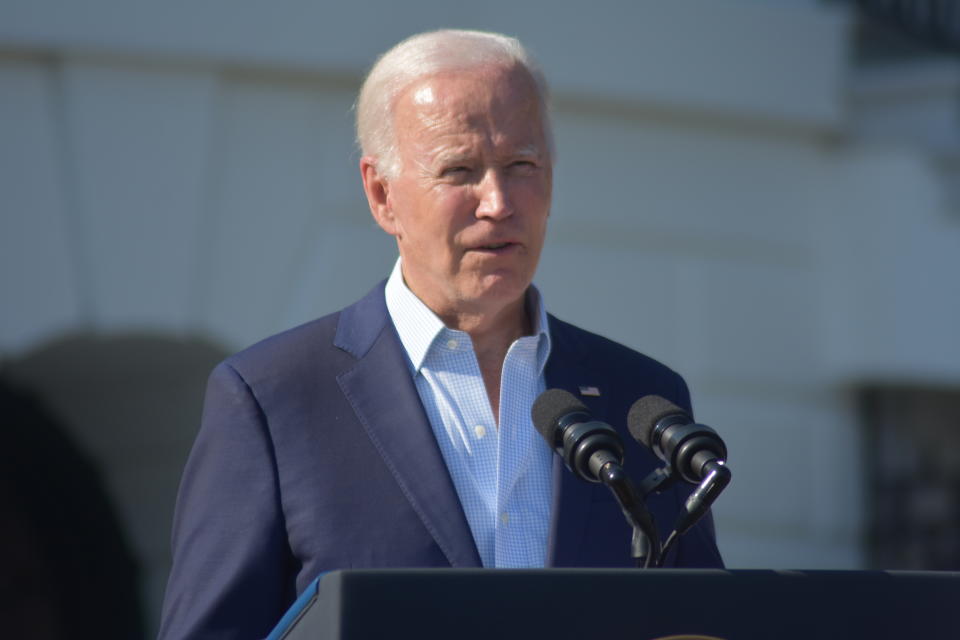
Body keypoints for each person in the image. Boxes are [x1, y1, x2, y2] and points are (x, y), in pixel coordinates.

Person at [159, 29, 723, 639]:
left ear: (552, 178)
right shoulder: (273, 400)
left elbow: (699, 625)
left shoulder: (643, 401)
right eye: (460, 171)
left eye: (521, 166)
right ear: (382, 195)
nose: (498, 202)